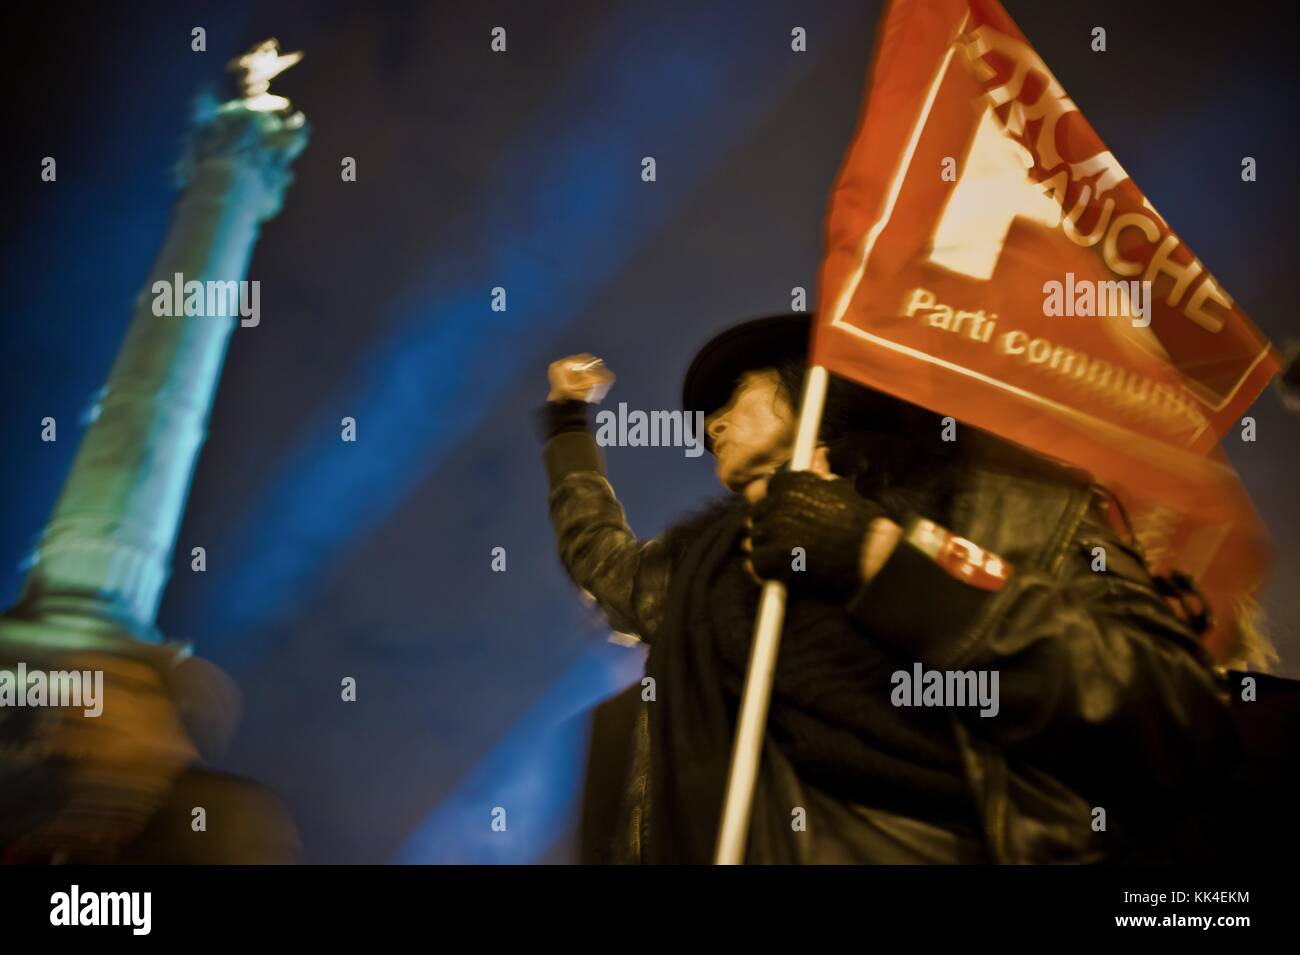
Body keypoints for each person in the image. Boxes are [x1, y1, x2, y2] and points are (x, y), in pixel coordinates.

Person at [537, 313, 1239, 864]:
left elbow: (1166, 701)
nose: (712, 423)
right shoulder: (704, 564)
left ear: (810, 380)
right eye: (705, 417)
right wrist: (569, 425)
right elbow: (603, 562)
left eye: (733, 395)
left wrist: (880, 557)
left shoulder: (1002, 503)